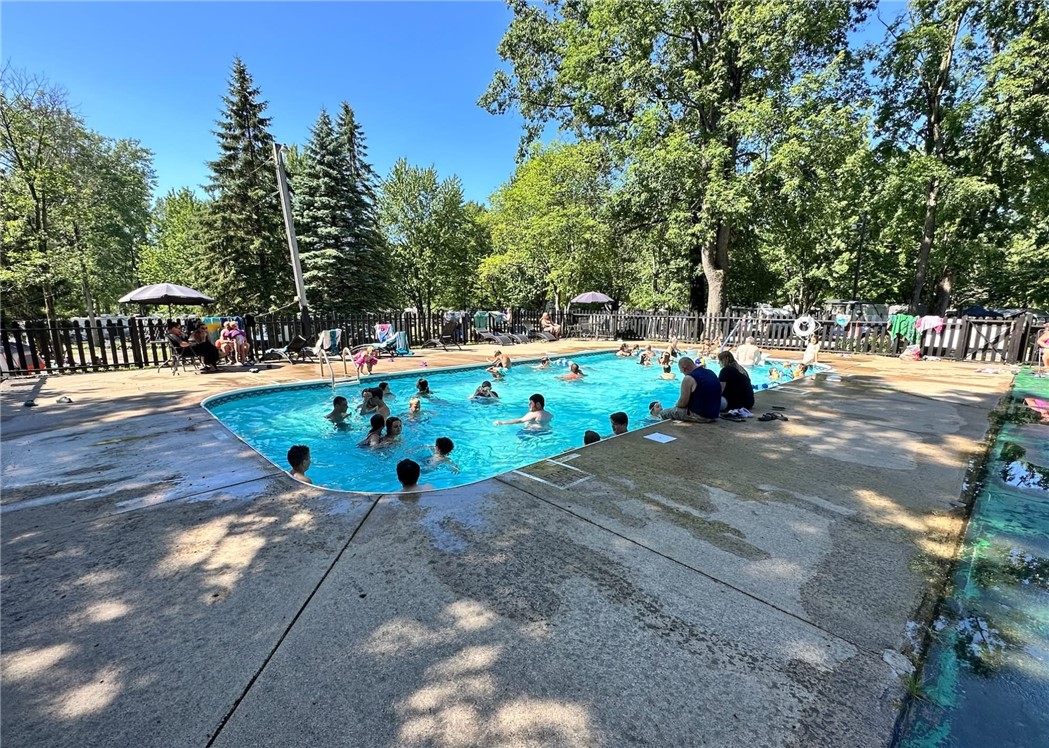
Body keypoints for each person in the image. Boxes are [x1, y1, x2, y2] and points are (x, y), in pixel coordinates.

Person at [661, 357, 722, 422]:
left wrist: (676, 405)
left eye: (681, 371)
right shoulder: (710, 372)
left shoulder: (688, 378)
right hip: (714, 414)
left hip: (701, 416)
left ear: (684, 369)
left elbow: (682, 403)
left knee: (664, 413)